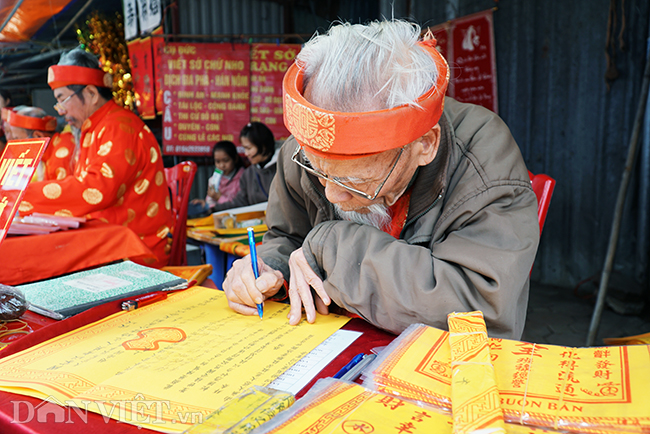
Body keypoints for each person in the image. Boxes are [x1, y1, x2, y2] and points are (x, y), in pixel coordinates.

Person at [222, 20, 540, 340]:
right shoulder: (312, 142)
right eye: (319, 170)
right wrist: (268, 267)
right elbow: (286, 236)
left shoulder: (482, 156)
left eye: (355, 180)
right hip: (328, 346)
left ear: (424, 145)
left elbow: (479, 308)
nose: (331, 194)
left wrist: (330, 247)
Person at [21, 47, 173, 268]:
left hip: (136, 248)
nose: (60, 111)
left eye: (62, 99)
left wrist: (22, 195)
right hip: (111, 238)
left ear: (91, 94)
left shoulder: (119, 126)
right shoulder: (95, 128)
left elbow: (95, 189)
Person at [209, 122, 278, 212]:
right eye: (244, 148)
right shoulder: (248, 175)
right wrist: (212, 208)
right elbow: (241, 202)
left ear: (263, 147)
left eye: (249, 148)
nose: (246, 153)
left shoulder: (283, 168)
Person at [1, 105, 76, 181]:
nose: (15, 144)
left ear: (38, 136)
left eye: (18, 139)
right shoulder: (45, 153)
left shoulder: (63, 148)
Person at [189, 140, 245, 217]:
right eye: (218, 162)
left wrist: (219, 198)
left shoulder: (243, 178)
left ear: (235, 159)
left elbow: (239, 204)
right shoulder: (213, 179)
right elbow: (211, 203)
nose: (222, 165)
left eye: (226, 161)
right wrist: (204, 205)